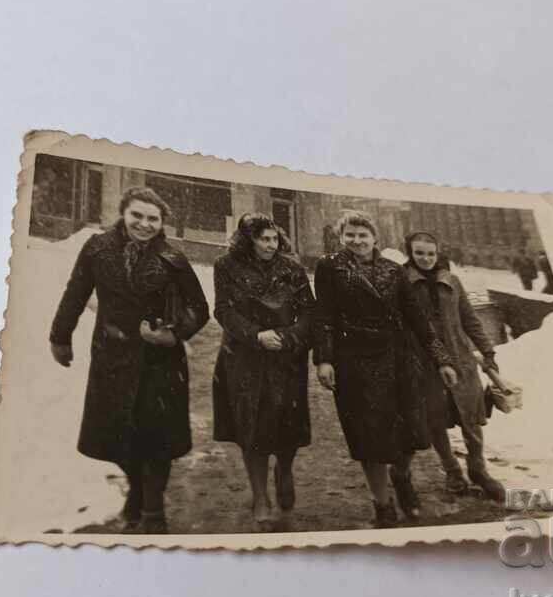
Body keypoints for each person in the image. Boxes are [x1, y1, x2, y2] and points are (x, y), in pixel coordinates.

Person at [48, 187, 210, 534]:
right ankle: (136, 493)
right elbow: (75, 293)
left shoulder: (173, 257)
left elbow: (199, 307)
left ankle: (153, 512)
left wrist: (172, 334)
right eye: (137, 215)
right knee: (120, 435)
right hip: (112, 356)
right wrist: (60, 337)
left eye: (153, 218)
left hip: (161, 363)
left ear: (162, 222)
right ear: (123, 212)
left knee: (158, 439)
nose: (144, 224)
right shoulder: (97, 248)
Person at [312, 211, 455, 527]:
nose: (357, 240)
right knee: (369, 436)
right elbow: (323, 315)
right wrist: (324, 358)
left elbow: (417, 318)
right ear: (341, 237)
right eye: (350, 234)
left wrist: (441, 359)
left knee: (409, 432)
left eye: (363, 234)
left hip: (398, 360)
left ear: (375, 238)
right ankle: (382, 503)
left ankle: (402, 478)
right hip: (355, 364)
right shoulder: (329, 267)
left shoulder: (394, 270)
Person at [212, 214, 316, 531]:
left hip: (286, 359)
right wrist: (256, 335)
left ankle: (284, 470)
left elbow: (309, 311)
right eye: (263, 239)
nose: (270, 245)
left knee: (288, 425)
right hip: (245, 359)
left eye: (273, 239)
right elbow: (223, 309)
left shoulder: (292, 269)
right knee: (252, 429)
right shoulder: (226, 266)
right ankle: (260, 497)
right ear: (248, 239)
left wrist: (290, 337)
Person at [403, 232, 505, 502]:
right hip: (425, 364)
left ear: (438, 255)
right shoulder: (403, 283)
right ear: (410, 254)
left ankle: (478, 469)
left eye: (430, 253)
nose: (425, 258)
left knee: (471, 417)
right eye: (419, 253)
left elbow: (471, 321)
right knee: (436, 419)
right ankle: (452, 471)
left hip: (462, 361)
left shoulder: (453, 281)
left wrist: (487, 351)